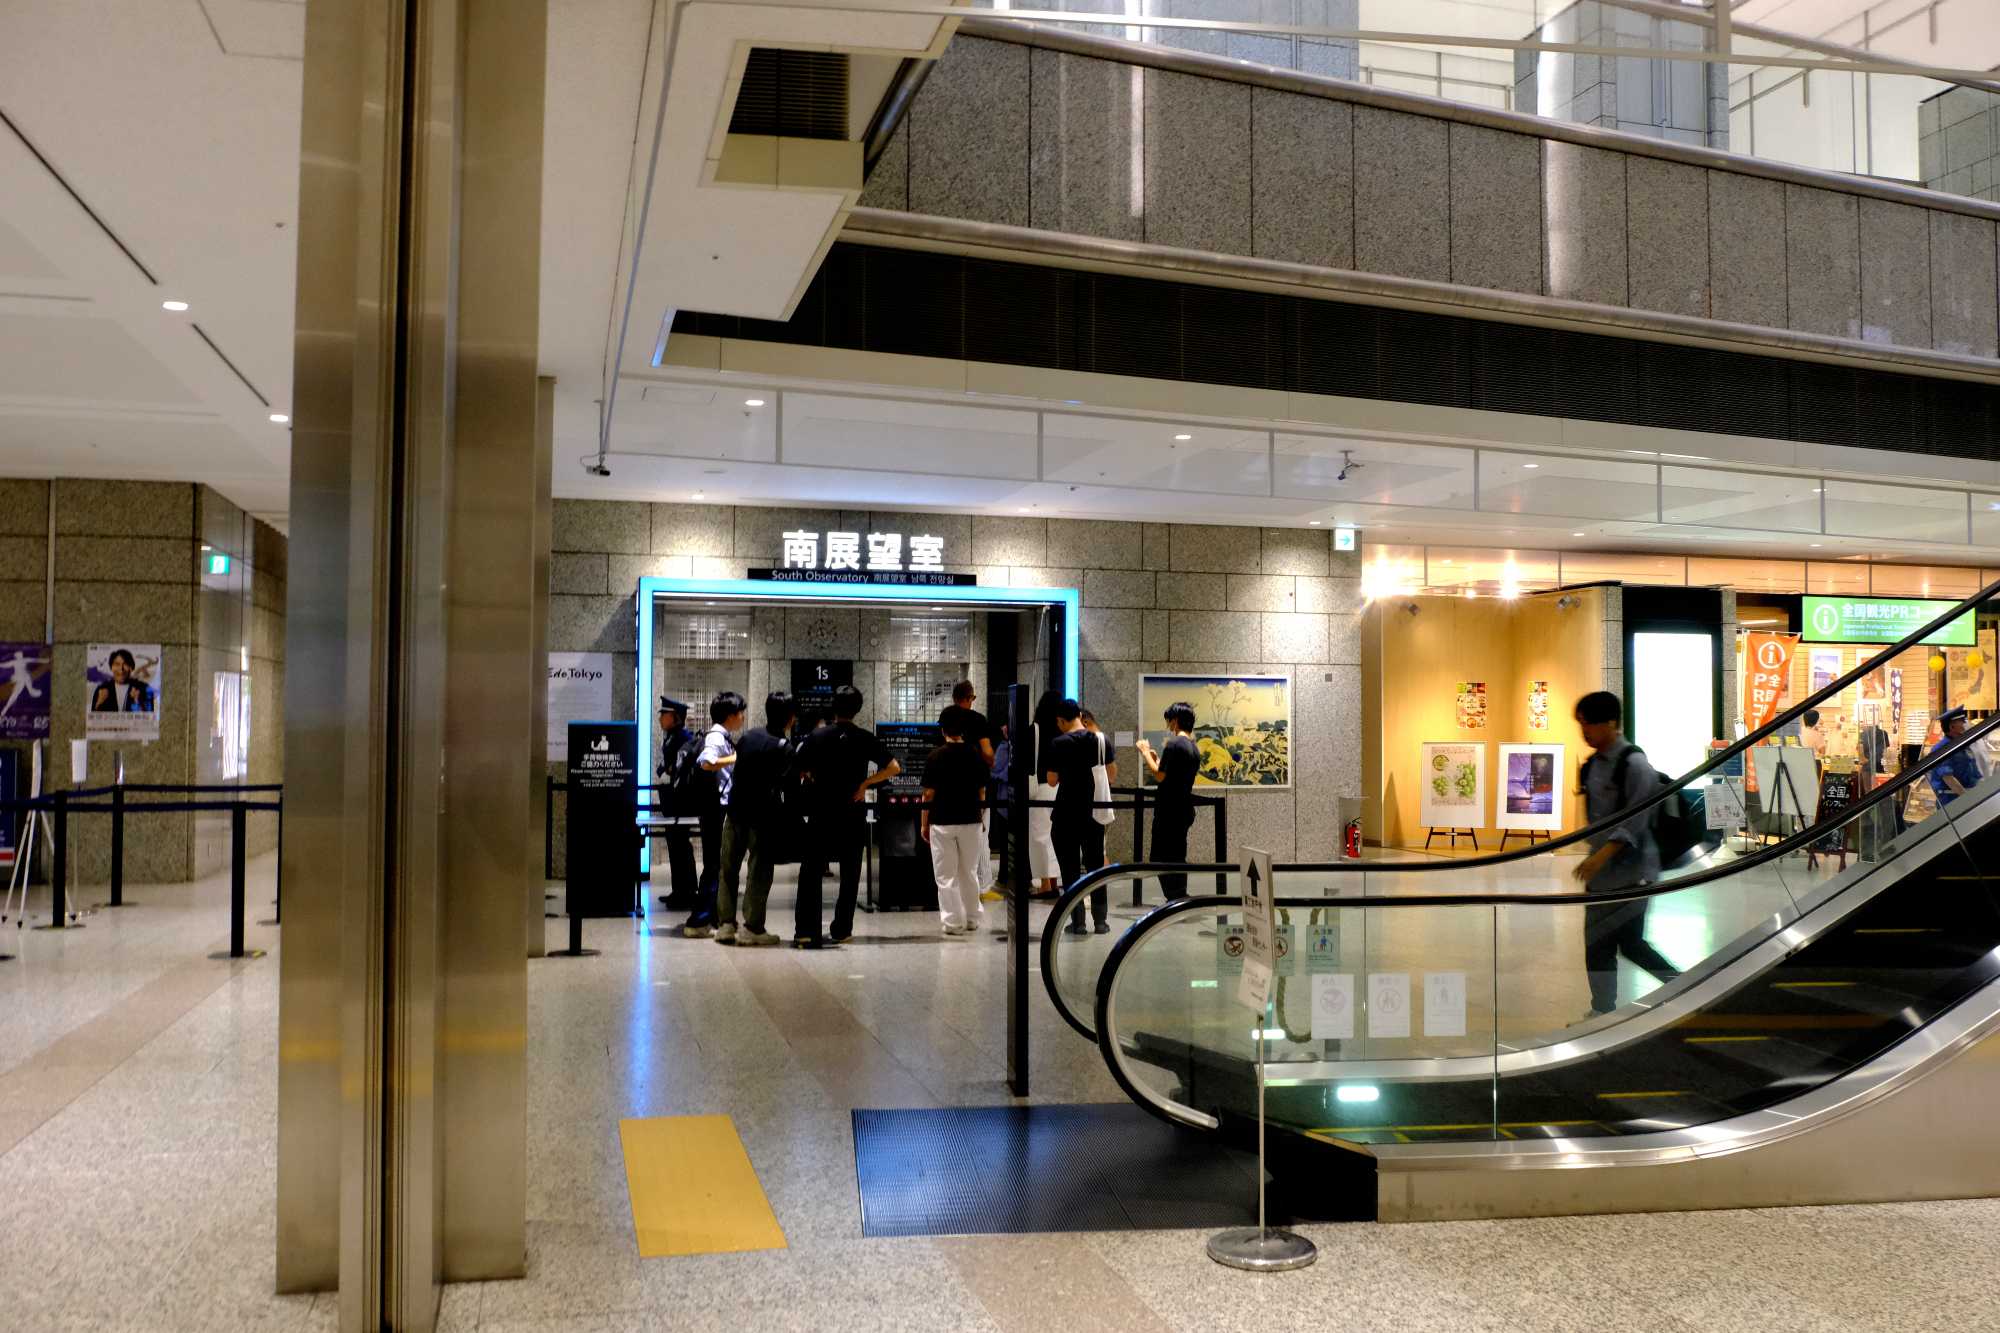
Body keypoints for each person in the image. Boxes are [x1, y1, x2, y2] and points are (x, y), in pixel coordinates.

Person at [1572, 691, 1681, 1019]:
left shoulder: (1634, 764)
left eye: (1589, 724)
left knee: (1630, 944)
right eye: (1581, 724)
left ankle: (1685, 989)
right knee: (1596, 944)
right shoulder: (1592, 765)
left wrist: (1600, 856)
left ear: (1610, 723)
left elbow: (1637, 819)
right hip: (1602, 877)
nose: (1584, 731)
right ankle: (1601, 1011)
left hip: (1634, 874)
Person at [792, 684, 900, 947]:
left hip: (821, 812)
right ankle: (842, 930)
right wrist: (865, 784)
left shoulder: (817, 736)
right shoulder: (864, 738)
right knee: (850, 874)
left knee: (811, 872)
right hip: (852, 813)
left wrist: (812, 776)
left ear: (834, 707)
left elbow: (797, 768)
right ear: (858, 709)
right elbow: (894, 767)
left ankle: (806, 930)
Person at [714, 691, 795, 946]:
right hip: (762, 819)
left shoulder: (748, 737)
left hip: (735, 813)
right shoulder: (784, 748)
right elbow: (788, 786)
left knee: (728, 869)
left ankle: (726, 925)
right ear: (790, 718)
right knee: (759, 872)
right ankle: (752, 927)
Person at [679, 691, 744, 939]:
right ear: (730, 715)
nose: (743, 717)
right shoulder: (717, 736)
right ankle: (699, 920)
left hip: (713, 808)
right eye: (740, 713)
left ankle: (712, 918)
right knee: (715, 865)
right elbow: (706, 762)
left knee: (716, 865)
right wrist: (735, 758)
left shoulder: (720, 735)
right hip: (717, 810)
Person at [1044, 697, 1111, 934]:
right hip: (1093, 813)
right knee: (1096, 868)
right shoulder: (1100, 740)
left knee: (1070, 870)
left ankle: (1078, 921)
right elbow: (1111, 774)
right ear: (1080, 717)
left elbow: (1052, 780)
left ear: (1061, 721)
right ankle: (1101, 922)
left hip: (1066, 813)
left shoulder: (1058, 743)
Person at [922, 707, 989, 935]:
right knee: (969, 871)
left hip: (942, 821)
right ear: (963, 731)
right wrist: (981, 816)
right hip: (971, 819)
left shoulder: (935, 756)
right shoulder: (975, 754)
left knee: (945, 875)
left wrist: (924, 823)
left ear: (943, 730)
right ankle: (972, 918)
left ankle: (952, 922)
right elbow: (982, 792)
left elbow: (928, 795)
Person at [1135, 701, 1200, 900]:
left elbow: (1160, 776)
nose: (1168, 724)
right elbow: (1172, 774)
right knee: (1177, 855)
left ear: (1175, 720)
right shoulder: (1193, 747)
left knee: (1160, 856)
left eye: (1169, 720)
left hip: (1169, 810)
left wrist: (1145, 752)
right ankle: (1180, 896)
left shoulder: (1174, 744)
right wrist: (1155, 759)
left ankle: (1174, 897)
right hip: (1184, 808)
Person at [951, 681, 1002, 903]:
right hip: (976, 785)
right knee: (981, 835)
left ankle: (958, 886)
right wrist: (991, 762)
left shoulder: (946, 718)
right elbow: (988, 752)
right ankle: (982, 887)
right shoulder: (978, 720)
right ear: (969, 698)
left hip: (951, 787)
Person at [653, 696, 700, 912]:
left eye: (665, 715)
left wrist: (669, 768)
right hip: (673, 799)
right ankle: (679, 890)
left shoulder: (684, 738)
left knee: (681, 845)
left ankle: (687, 892)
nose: (661, 718)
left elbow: (683, 767)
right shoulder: (672, 737)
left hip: (683, 801)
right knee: (675, 844)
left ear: (676, 718)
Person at [1025, 691, 1064, 900]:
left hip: (1039, 788)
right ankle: (1055, 882)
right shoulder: (1062, 730)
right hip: (1060, 788)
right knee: (1055, 837)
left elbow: (1026, 761)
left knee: (1039, 837)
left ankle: (1045, 886)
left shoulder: (1034, 730)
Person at [1928, 706, 1980, 807]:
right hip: (1952, 800)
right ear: (1952, 727)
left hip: (1966, 796)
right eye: (1962, 721)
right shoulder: (1942, 748)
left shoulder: (1961, 744)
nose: (1965, 724)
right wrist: (1968, 799)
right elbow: (1948, 778)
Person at [90, 648, 155, 713]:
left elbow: (152, 716)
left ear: (131, 667)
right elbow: (91, 716)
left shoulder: (144, 688)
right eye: (117, 664)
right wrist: (99, 702)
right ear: (111, 667)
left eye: (125, 664)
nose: (121, 669)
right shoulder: (102, 688)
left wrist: (138, 701)